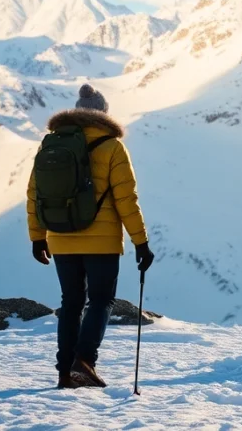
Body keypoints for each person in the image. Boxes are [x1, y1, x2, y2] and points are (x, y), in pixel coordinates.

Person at [27, 84, 156, 389]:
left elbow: (35, 194)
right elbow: (127, 199)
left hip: (60, 237)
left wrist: (37, 237)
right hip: (101, 241)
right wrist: (141, 242)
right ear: (102, 115)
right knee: (100, 300)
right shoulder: (111, 147)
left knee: (71, 303)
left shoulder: (50, 145)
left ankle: (64, 372)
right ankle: (84, 362)